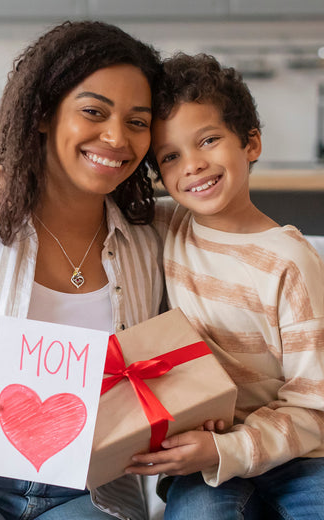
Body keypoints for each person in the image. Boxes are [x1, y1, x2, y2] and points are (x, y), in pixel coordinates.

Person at [0, 21, 167, 520]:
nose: (116, 137)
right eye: (94, 111)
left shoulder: (151, 241)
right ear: (43, 113)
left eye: (138, 121)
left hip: (90, 488)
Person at [122, 53, 324, 518]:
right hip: (199, 455)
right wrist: (3, 175)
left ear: (250, 142)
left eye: (208, 140)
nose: (192, 166)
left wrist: (227, 450)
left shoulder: (291, 261)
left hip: (299, 456)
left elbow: (314, 405)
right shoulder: (164, 225)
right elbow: (81, 201)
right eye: (170, 156)